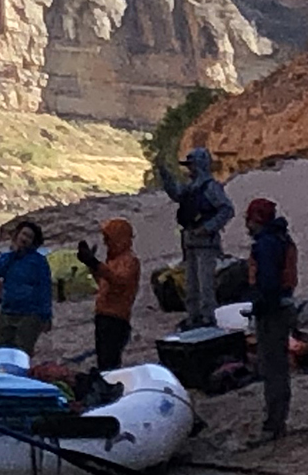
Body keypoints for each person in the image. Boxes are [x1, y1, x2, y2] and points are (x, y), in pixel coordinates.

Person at [157, 145, 234, 328]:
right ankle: (194, 317)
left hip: (206, 243)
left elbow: (227, 209)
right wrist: (165, 174)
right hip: (190, 242)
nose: (188, 169)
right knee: (190, 285)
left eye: (191, 165)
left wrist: (208, 227)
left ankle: (208, 318)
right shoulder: (192, 188)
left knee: (206, 285)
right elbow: (176, 193)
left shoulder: (211, 187)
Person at [245, 196, 299, 441]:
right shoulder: (280, 239)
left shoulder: (266, 244)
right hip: (281, 308)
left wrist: (259, 306)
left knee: (273, 367)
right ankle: (278, 420)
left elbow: (268, 283)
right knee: (277, 367)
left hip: (273, 312)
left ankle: (274, 424)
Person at [76, 216, 142, 373]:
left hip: (116, 318)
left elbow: (119, 281)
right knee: (103, 359)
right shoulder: (113, 261)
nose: (106, 243)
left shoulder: (129, 261)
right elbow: (104, 282)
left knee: (109, 360)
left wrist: (95, 263)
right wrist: (92, 265)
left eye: (108, 238)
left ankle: (110, 386)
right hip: (104, 314)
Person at [0, 218, 55, 357]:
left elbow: (45, 289)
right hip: (8, 311)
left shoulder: (39, 262)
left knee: (21, 353)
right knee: (2, 351)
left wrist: (46, 316)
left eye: (29, 237)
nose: (25, 239)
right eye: (23, 234)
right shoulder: (8, 257)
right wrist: (12, 256)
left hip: (29, 314)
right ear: (17, 235)